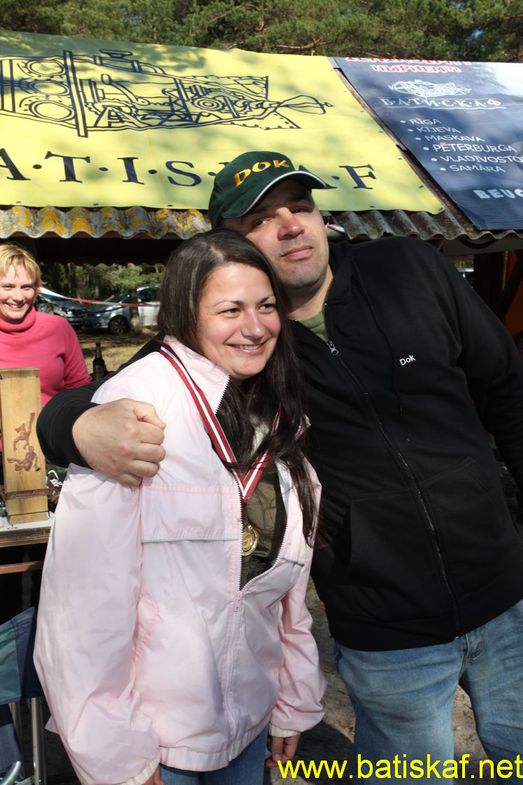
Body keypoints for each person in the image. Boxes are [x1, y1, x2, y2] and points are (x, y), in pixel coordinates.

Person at [37, 151, 523, 782]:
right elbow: (113, 390)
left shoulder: (409, 269)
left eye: (301, 206)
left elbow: (509, 390)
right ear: (232, 243)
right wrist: (73, 428)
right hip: (387, 630)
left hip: (508, 596)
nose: (291, 225)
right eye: (263, 219)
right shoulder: (248, 342)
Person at [34, 229, 325, 785]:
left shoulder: (275, 408)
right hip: (156, 744)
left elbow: (284, 591)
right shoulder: (133, 414)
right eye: (230, 310)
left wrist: (293, 696)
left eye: (266, 307)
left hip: (249, 724)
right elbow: (83, 611)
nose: (255, 327)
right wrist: (119, 759)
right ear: (185, 314)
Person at [0, 244, 90, 624]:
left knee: (52, 563)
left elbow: (81, 391)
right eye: (7, 286)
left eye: (26, 286)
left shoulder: (58, 329)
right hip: (1, 464)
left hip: (51, 463)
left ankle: (45, 637)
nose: (17, 296)